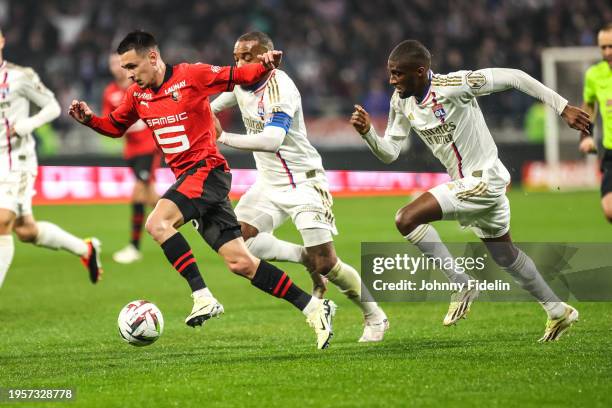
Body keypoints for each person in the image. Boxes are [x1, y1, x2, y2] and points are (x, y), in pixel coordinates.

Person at [69, 30, 337, 349]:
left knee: (158, 223)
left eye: (132, 66)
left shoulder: (190, 75)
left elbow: (237, 74)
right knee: (241, 263)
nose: (128, 74)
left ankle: (202, 296)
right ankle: (314, 307)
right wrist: (90, 121)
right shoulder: (136, 96)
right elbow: (115, 126)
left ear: (152, 58)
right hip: (190, 180)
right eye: (125, 69)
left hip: (207, 171)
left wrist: (265, 64)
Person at [350, 39, 591, 342]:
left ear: (421, 71)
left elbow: (515, 77)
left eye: (398, 73)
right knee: (505, 256)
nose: (392, 80)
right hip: (474, 188)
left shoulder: (455, 84)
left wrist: (563, 106)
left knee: (406, 218)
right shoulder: (401, 102)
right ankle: (557, 310)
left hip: (484, 180)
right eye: (390, 73)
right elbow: (390, 153)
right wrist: (368, 133)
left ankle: (460, 282)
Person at [211, 31, 389, 342]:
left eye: (247, 57)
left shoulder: (282, 88)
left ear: (265, 56)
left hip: (303, 181)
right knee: (240, 240)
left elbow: (272, 140)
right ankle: (303, 256)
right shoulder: (240, 83)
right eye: (236, 58)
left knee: (328, 264)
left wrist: (222, 138)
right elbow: (211, 106)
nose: (239, 63)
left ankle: (375, 316)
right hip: (267, 183)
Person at [0, 28, 102, 288]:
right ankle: (85, 249)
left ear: (2, 40)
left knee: (2, 221)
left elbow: (53, 106)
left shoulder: (20, 76)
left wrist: (28, 124)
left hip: (17, 161)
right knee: (25, 230)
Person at [103, 53, 160, 264]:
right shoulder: (110, 92)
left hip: (148, 146)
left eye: (119, 64)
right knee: (151, 195)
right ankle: (190, 216)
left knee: (138, 192)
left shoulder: (141, 86)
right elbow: (110, 120)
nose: (116, 68)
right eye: (112, 64)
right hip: (131, 151)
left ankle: (134, 247)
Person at [578, 23, 612, 221]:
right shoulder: (594, 75)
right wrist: (585, 136)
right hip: (610, 151)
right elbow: (589, 107)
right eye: (603, 47)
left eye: (611, 46)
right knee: (609, 210)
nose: (607, 52)